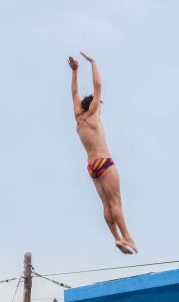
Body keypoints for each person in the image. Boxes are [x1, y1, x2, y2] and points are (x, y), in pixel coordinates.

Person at [69, 52, 137, 254]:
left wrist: (74, 71)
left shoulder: (79, 120)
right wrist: (93, 63)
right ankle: (128, 237)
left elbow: (74, 94)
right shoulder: (92, 115)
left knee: (106, 205)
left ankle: (117, 239)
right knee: (116, 202)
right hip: (104, 163)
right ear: (94, 105)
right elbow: (98, 86)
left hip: (92, 167)